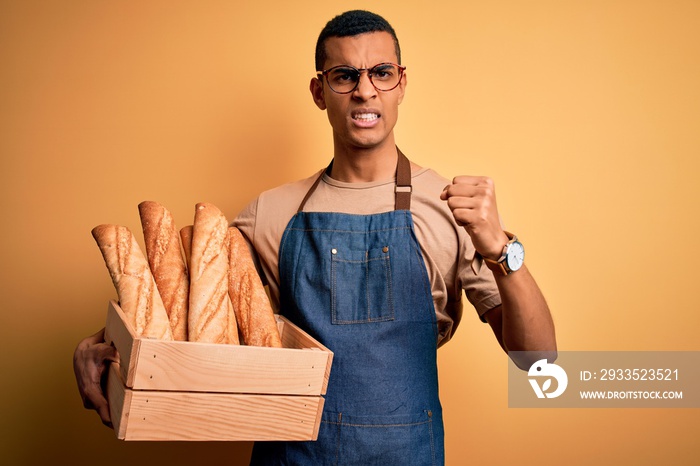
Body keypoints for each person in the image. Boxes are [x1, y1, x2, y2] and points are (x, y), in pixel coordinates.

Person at [74, 10, 556, 465]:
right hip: (293, 457)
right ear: (319, 91)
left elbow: (537, 363)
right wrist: (102, 343)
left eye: (381, 73)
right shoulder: (271, 213)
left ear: (401, 84)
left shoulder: (452, 208)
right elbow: (186, 312)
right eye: (344, 75)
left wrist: (501, 250)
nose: (365, 91)